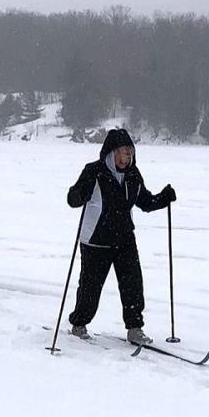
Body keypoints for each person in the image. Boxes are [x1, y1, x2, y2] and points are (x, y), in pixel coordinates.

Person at [65, 127, 175, 344]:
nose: (125, 158)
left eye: (129, 154)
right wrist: (80, 194)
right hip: (96, 241)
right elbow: (72, 199)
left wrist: (163, 198)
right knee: (90, 287)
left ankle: (135, 329)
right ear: (110, 153)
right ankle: (79, 323)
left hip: (124, 239)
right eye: (122, 153)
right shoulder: (94, 172)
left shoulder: (133, 175)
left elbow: (145, 202)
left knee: (133, 285)